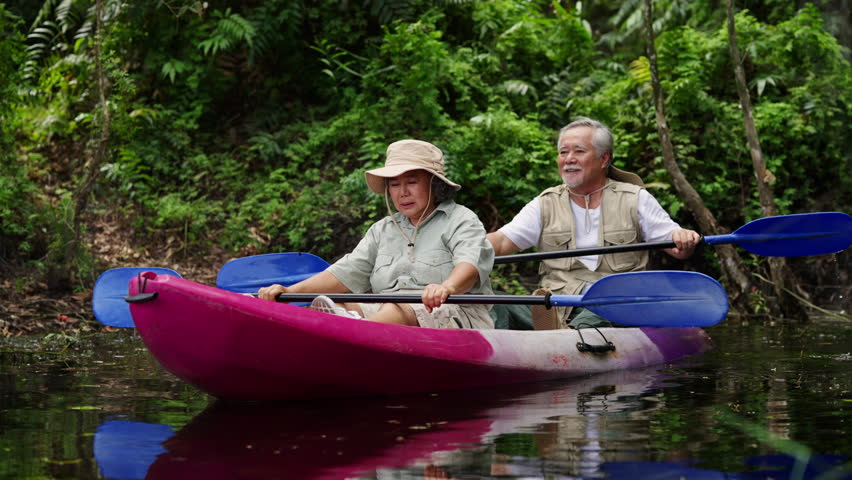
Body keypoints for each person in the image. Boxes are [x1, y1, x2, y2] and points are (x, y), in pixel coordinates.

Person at [487, 117, 700, 329]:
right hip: (556, 304)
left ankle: (568, 337)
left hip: (615, 305)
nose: (569, 159)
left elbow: (677, 248)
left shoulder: (634, 198)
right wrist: (466, 245)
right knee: (490, 301)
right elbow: (503, 241)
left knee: (598, 312)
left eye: (579, 151)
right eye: (563, 152)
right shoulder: (545, 203)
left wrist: (682, 237)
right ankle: (550, 335)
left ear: (604, 159)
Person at [258, 139, 495, 329]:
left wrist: (448, 287)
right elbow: (344, 272)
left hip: (455, 313)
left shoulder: (461, 219)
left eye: (411, 182)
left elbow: (470, 265)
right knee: (337, 301)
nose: (403, 192)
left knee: (395, 309)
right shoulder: (382, 229)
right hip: (387, 314)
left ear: (434, 184)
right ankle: (345, 338)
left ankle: (347, 343)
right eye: (394, 184)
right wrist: (290, 291)